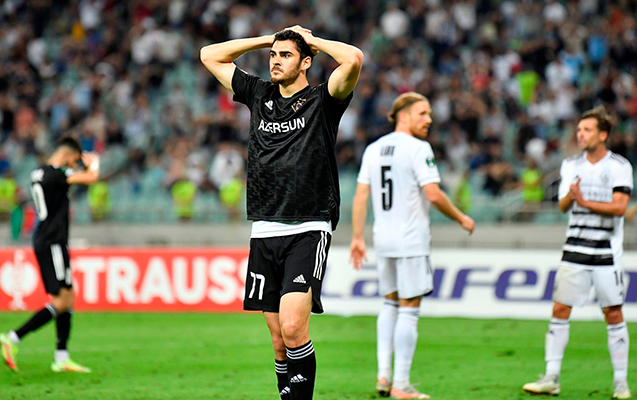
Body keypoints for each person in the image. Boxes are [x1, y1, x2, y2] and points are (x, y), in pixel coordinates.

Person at [200, 26, 363, 399]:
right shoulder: (259, 94)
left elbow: (353, 58)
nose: (275, 60)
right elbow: (209, 55)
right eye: (273, 55)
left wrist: (312, 41)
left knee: (293, 328)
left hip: (308, 226)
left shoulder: (324, 100)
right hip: (264, 229)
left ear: (306, 63)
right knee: (278, 340)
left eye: (285, 55)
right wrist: (266, 40)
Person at [350, 92, 475, 399]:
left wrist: (357, 238)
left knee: (389, 304)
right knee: (409, 309)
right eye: (423, 113)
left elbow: (361, 196)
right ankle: (401, 384)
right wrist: (460, 217)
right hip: (411, 240)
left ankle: (383, 375)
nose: (429, 119)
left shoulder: (374, 149)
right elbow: (433, 194)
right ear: (403, 116)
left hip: (383, 239)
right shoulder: (419, 148)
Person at [523, 107, 632, 399]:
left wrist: (584, 201)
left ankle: (620, 382)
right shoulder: (570, 165)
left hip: (605, 250)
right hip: (574, 247)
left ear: (603, 135)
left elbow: (620, 207)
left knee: (613, 313)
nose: (580, 135)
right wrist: (571, 197)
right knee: (560, 310)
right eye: (579, 130)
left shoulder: (619, 166)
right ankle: (551, 377)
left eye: (587, 130)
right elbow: (562, 206)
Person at [1, 136, 100, 373]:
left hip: (49, 239)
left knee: (68, 297)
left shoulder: (39, 173)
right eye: (73, 161)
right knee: (61, 301)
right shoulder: (55, 174)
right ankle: (12, 338)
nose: (74, 165)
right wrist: (94, 163)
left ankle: (61, 357)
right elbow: (91, 178)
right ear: (65, 155)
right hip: (52, 241)